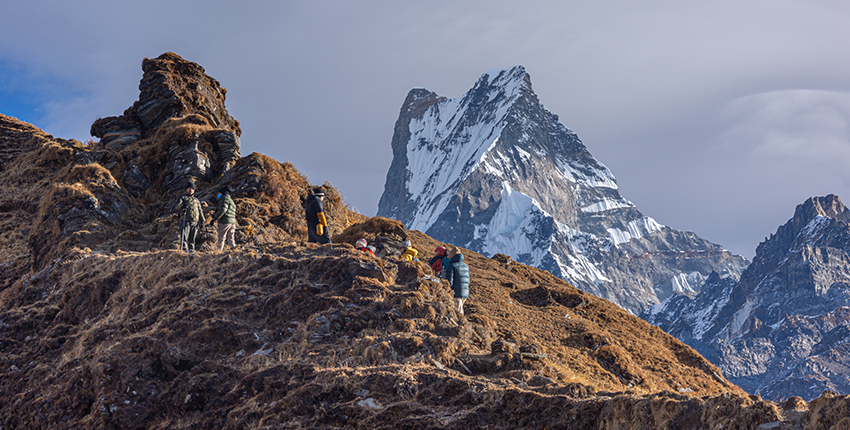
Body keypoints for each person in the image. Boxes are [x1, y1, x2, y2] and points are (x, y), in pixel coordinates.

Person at [175, 181, 205, 252]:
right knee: (184, 237)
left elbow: (200, 211)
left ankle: (191, 251)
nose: (191, 190)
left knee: (193, 238)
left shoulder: (196, 200)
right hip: (185, 220)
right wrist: (182, 206)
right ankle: (185, 250)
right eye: (189, 188)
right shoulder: (182, 197)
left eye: (192, 188)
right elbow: (177, 206)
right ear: (186, 189)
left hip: (195, 221)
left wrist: (203, 220)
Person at [444, 246, 470, 316]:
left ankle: (460, 326)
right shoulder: (465, 265)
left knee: (458, 314)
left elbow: (450, 281)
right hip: (465, 292)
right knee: (460, 310)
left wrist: (448, 291)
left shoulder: (451, 265)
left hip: (456, 293)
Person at [211, 185, 237, 251]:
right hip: (232, 222)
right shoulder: (231, 201)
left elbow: (222, 210)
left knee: (221, 238)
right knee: (231, 239)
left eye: (220, 194)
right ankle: (235, 251)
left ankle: (218, 252)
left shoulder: (224, 199)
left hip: (224, 222)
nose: (218, 196)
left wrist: (215, 218)